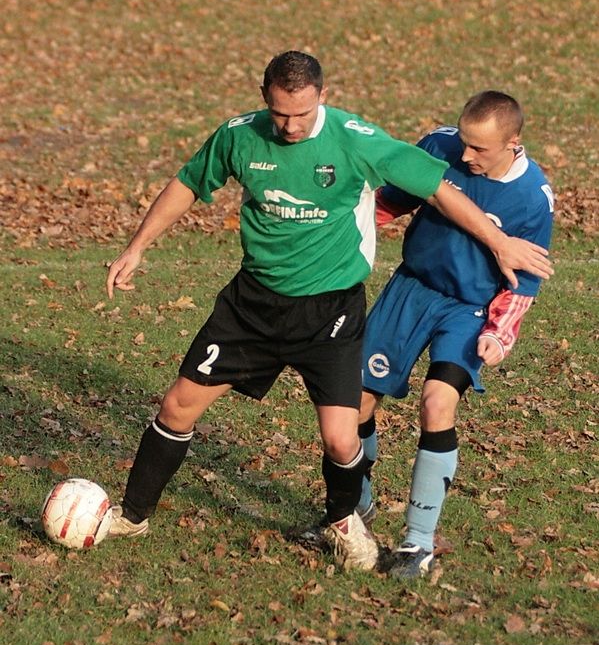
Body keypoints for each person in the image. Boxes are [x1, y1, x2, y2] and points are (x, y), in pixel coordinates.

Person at [105, 52, 552, 572]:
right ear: (265, 98)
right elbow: (187, 183)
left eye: (301, 113)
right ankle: (132, 515)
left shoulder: (356, 139)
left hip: (331, 312)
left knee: (345, 438)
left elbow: (438, 190)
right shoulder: (239, 135)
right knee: (177, 405)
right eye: (279, 113)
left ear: (323, 95)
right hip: (252, 305)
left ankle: (352, 523)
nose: (290, 126)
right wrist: (137, 246)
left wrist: (499, 248)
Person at [357, 90, 554, 578]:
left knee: (437, 403)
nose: (465, 156)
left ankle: (417, 542)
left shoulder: (533, 198)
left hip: (469, 309)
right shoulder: (439, 145)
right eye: (463, 142)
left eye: (479, 148)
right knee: (356, 401)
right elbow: (389, 203)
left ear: (513, 143)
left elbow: (525, 281)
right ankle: (355, 507)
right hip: (410, 289)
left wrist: (500, 333)